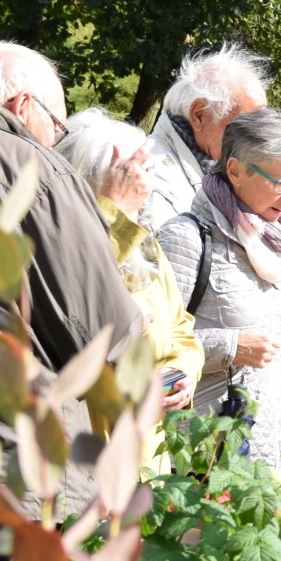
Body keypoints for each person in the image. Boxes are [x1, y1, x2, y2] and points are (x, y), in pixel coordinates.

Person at [0, 43, 144, 561]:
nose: (57, 140)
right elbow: (103, 334)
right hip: (3, 469)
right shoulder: (28, 166)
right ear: (24, 106)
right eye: (58, 125)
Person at [158, 108, 281, 470]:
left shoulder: (264, 236)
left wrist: (276, 316)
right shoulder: (184, 238)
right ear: (234, 170)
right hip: (207, 445)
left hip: (268, 436)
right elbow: (153, 345)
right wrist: (232, 346)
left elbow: (228, 306)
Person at [58, 111, 203, 422]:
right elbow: (82, 293)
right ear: (88, 175)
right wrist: (116, 209)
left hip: (148, 453)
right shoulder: (58, 244)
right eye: (129, 173)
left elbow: (179, 324)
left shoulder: (144, 244)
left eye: (146, 170)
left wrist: (185, 372)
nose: (145, 187)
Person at [144, 44, 271, 231]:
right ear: (199, 114)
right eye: (245, 125)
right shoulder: (151, 184)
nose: (256, 138)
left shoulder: (212, 167)